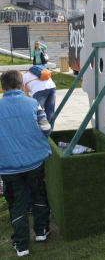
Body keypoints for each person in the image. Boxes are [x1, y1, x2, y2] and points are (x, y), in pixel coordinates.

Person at [0, 70, 51, 257]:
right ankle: (41, 232)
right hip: (34, 162)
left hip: (8, 166)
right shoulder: (32, 103)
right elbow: (46, 128)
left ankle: (21, 245)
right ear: (22, 85)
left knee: (17, 204)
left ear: (2, 87)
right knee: (39, 196)